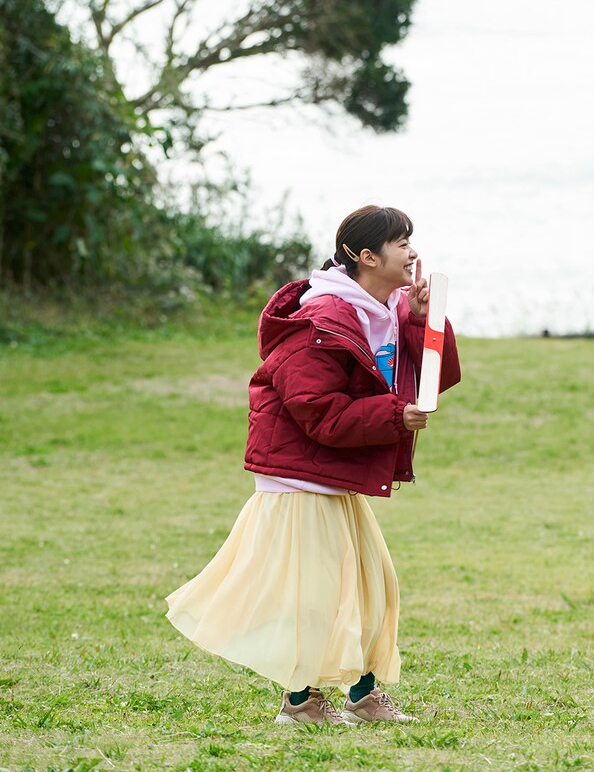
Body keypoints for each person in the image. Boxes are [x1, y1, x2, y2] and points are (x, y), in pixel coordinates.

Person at [166, 205, 460, 726]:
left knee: (374, 585)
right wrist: (394, 415)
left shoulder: (387, 309)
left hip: (331, 474)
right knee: (317, 595)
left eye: (411, 240)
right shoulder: (321, 320)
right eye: (401, 243)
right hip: (300, 476)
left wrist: (418, 319)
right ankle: (301, 704)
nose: (412, 252)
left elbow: (438, 375)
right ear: (367, 257)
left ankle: (362, 699)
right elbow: (317, 412)